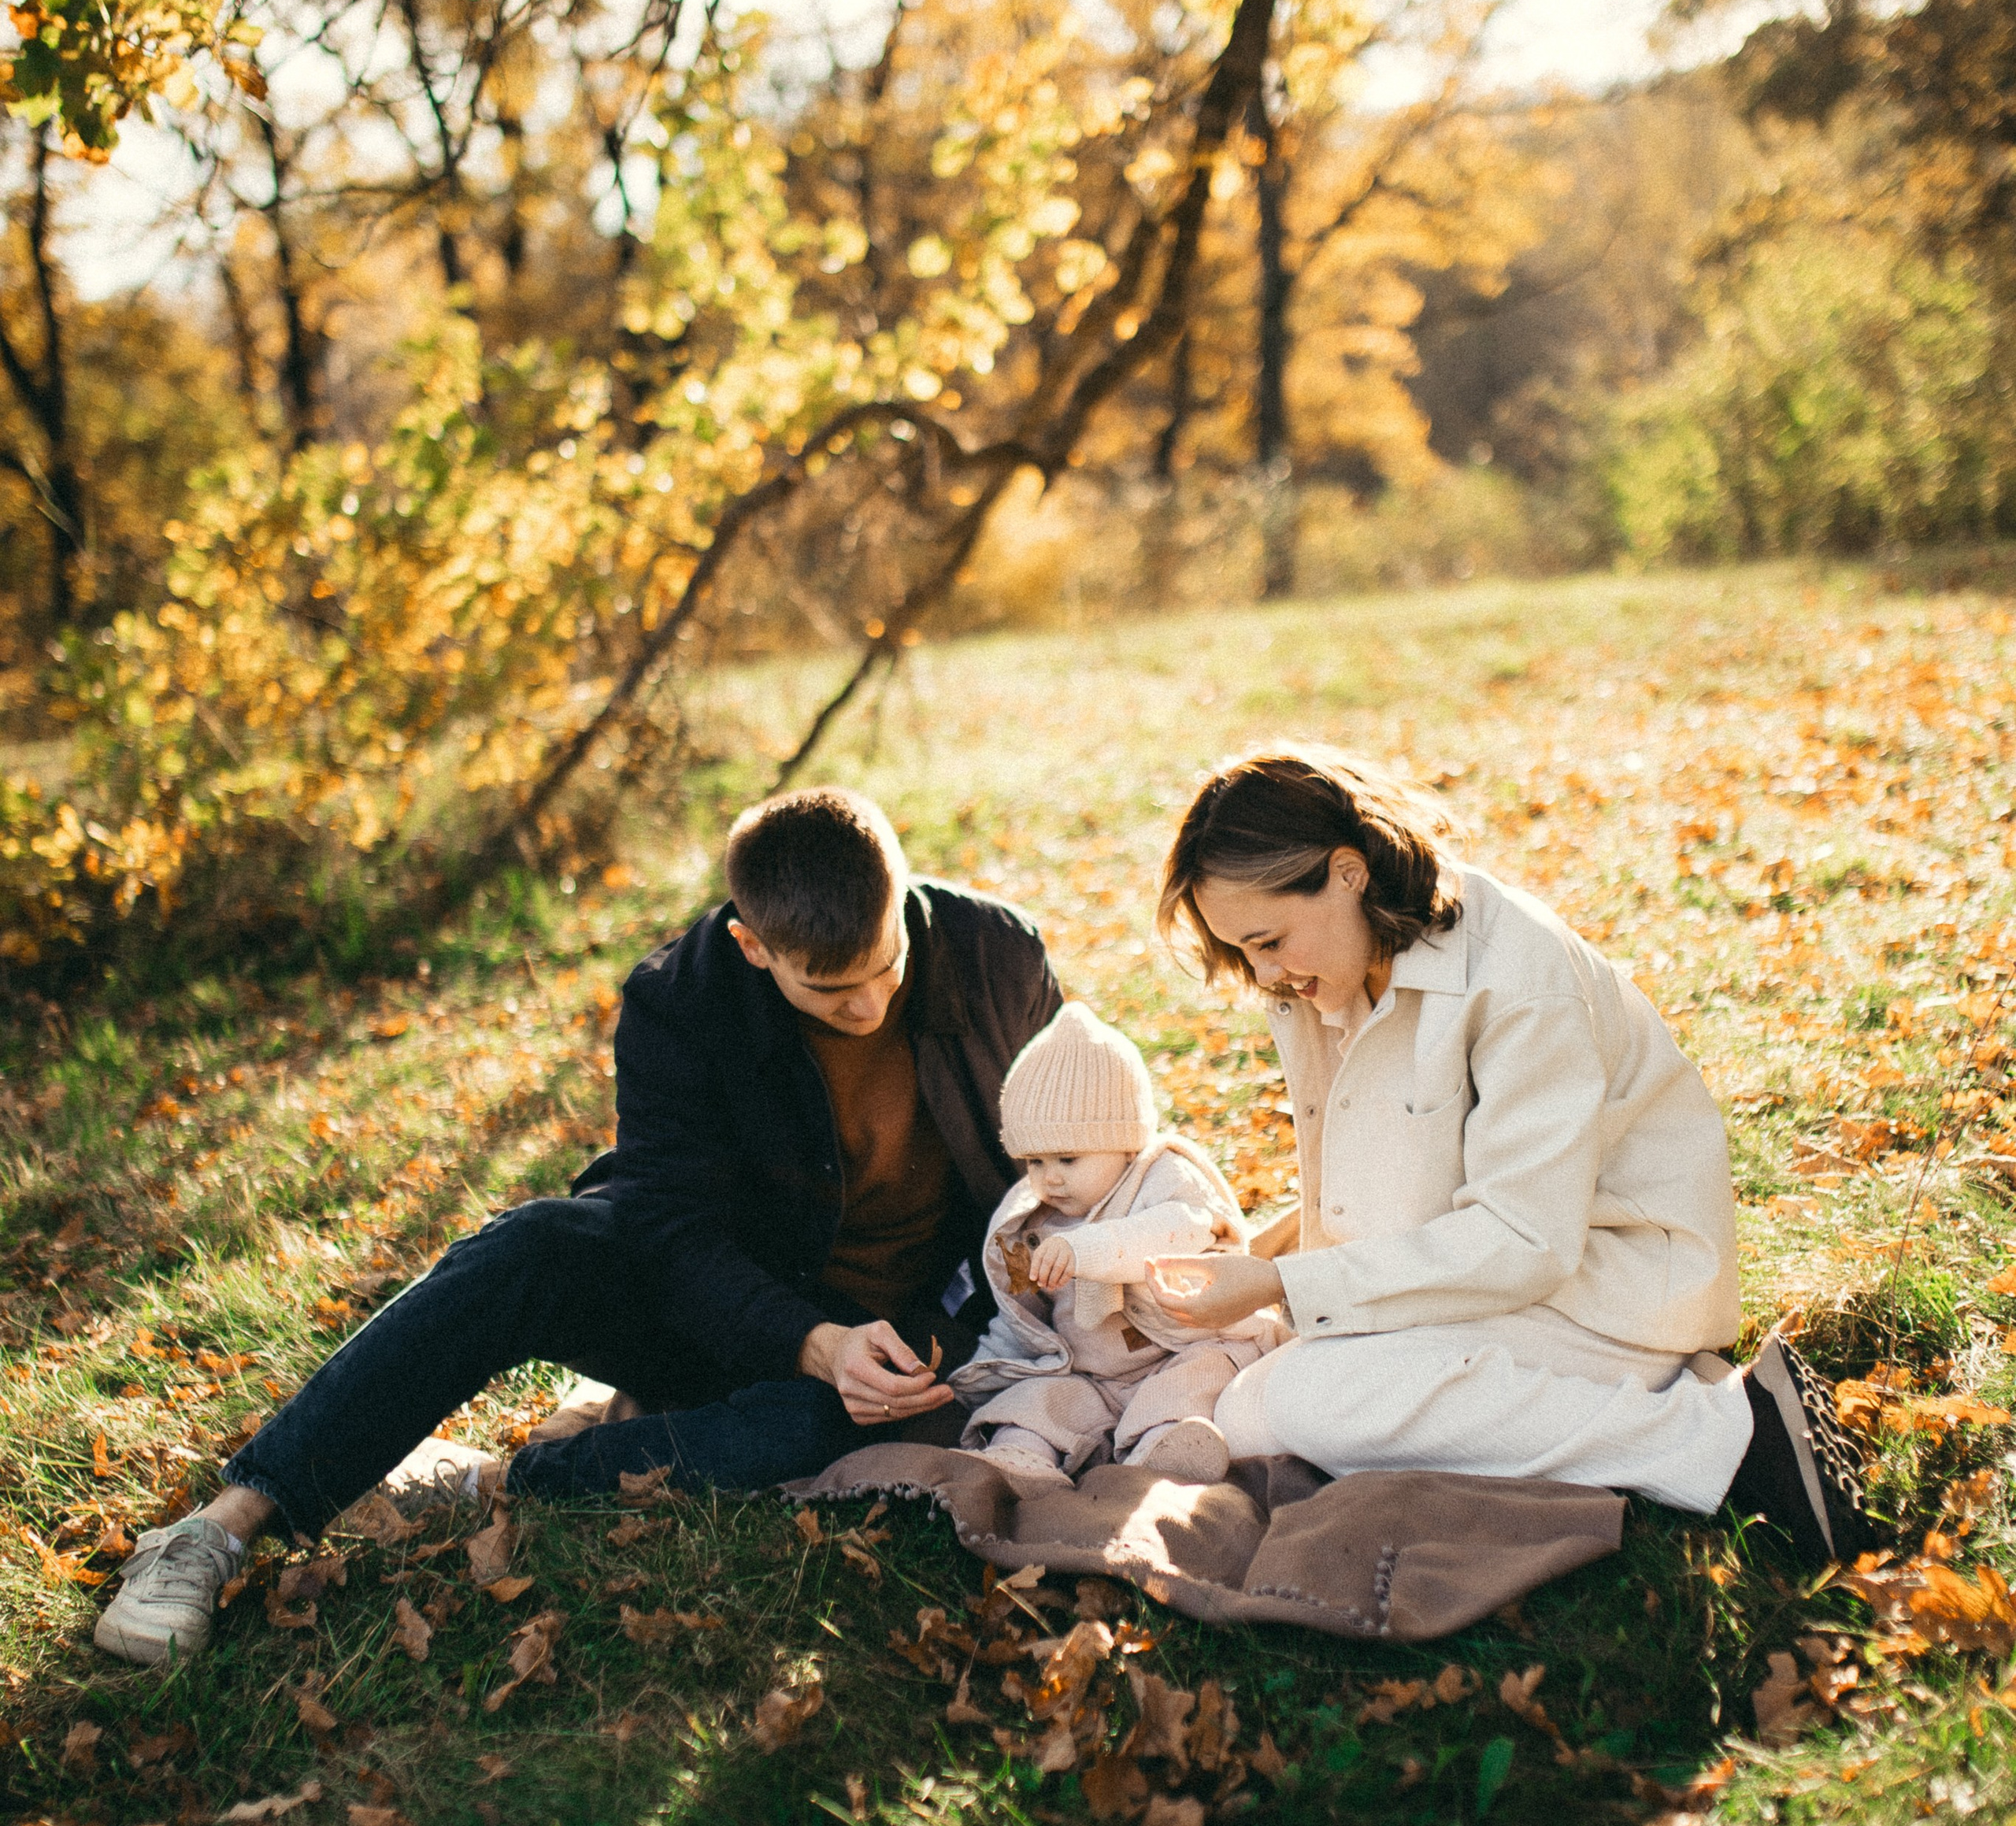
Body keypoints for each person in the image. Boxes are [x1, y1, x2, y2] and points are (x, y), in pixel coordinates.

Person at [94, 787, 1062, 1666]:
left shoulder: (995, 953)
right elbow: (671, 1231)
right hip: (731, 1300)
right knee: (529, 1245)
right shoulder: (678, 1002)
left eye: (886, 966)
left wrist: (991, 1317)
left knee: (812, 1436)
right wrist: (807, 1340)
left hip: (909, 1335)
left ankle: (511, 1478)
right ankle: (220, 1527)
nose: (869, 1003)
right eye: (827, 988)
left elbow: (1069, 1138)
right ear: (753, 947)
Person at [1145, 749, 1867, 1570]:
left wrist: (1287, 1287)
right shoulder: (1331, 974)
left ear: (1346, 873)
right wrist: (1264, 1255)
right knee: (1247, 1414)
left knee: (1311, 1403)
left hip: (1607, 1285)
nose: (1264, 974)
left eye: (1269, 941)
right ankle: (1543, 1416)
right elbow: (1405, 1165)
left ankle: (1726, 1437)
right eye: (1243, 953)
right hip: (1493, 1273)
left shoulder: (1516, 979)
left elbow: (1527, 1240)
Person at [952, 1000, 1280, 1490]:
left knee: (1196, 1380)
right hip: (1092, 1374)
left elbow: (1177, 1231)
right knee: (1037, 1399)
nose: (1051, 1179)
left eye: (1068, 1158)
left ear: (1126, 1143)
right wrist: (984, 1369)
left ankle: (1163, 1449)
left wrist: (1089, 1249)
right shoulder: (1030, 1222)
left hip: (1177, 1349)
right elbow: (1022, 1315)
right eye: (1035, 1163)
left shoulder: (1161, 1178)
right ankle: (1022, 1455)